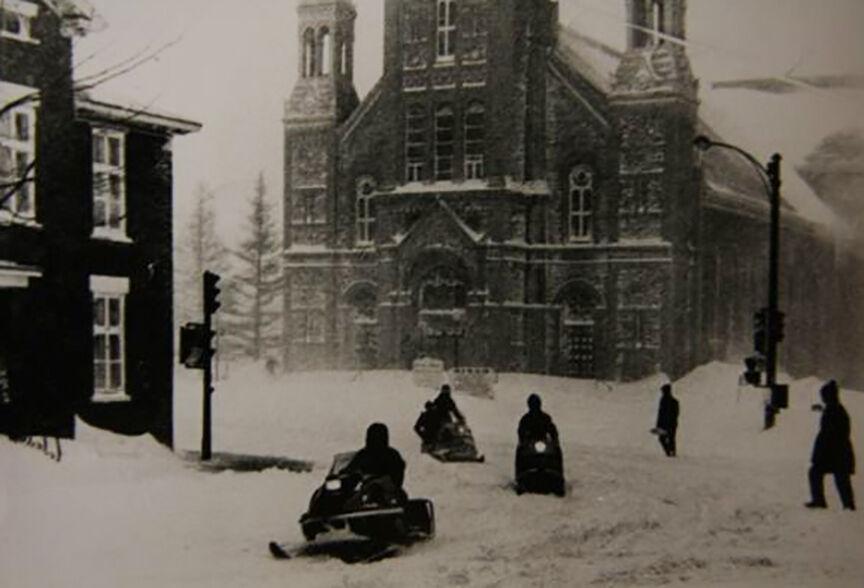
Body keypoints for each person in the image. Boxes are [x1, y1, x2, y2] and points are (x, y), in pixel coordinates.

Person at [806, 380, 856, 511]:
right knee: (841, 479)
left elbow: (829, 434)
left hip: (833, 451)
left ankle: (821, 501)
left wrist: (820, 452)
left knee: (819, 473)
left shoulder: (833, 410)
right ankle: (848, 505)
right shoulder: (836, 409)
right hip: (840, 451)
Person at [348, 423, 406, 489]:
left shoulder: (392, 455)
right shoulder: (363, 454)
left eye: (376, 436)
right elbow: (351, 467)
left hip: (387, 491)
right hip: (366, 490)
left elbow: (397, 475)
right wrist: (343, 474)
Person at [655, 383, 679, 457]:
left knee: (666, 438)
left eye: (663, 391)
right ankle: (670, 452)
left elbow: (662, 413)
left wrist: (659, 424)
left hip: (668, 424)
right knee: (668, 438)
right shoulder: (673, 401)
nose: (662, 392)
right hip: (669, 423)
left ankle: (670, 452)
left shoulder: (670, 401)